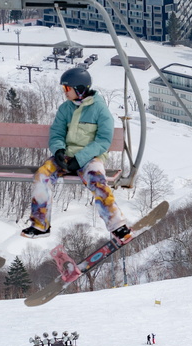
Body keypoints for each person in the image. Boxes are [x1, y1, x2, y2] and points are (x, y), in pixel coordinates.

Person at [22, 66, 129, 241]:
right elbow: (57, 133)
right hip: (66, 156)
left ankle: (118, 226)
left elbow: (103, 141)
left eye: (67, 88)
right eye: (63, 88)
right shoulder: (66, 108)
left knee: (98, 182)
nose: (64, 92)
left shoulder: (100, 110)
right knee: (42, 175)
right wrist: (58, 151)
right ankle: (40, 225)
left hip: (90, 158)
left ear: (80, 89)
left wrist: (80, 159)